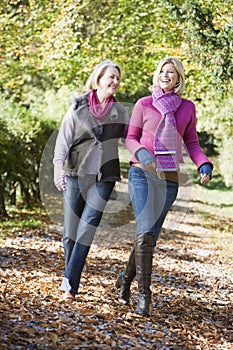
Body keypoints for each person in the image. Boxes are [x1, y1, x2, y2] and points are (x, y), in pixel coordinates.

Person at [116, 57, 213, 316]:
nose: (165, 75)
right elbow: (130, 138)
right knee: (145, 231)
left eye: (171, 72)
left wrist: (204, 164)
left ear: (179, 78)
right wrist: (142, 153)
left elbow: (192, 143)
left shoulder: (187, 108)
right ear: (157, 75)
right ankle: (144, 298)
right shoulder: (144, 104)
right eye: (162, 71)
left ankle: (125, 280)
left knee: (148, 237)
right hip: (141, 174)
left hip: (169, 179)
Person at [53, 60, 129, 300]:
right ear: (98, 79)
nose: (115, 82)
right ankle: (70, 275)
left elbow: (132, 139)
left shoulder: (121, 112)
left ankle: (69, 284)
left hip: (104, 178)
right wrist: (57, 168)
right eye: (111, 77)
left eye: (118, 78)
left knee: (86, 229)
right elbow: (63, 140)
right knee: (70, 233)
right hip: (75, 173)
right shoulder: (77, 105)